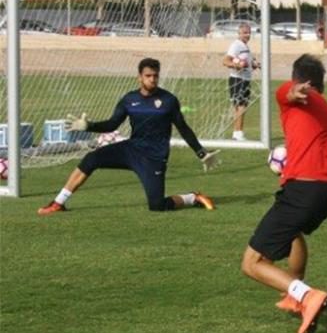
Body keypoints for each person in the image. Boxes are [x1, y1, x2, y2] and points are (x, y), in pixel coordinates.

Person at [241, 54, 327, 333]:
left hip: (304, 190)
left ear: (300, 79)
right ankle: (293, 293)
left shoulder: (293, 94)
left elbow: (283, 92)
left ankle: (306, 295)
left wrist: (294, 90)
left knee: (252, 263)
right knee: (294, 233)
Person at [38, 58, 218, 215]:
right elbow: (112, 125)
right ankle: (58, 203)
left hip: (154, 157)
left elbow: (183, 128)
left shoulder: (169, 100)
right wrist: (88, 126)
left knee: (157, 206)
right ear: (139, 77)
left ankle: (193, 197)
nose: (152, 79)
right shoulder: (129, 99)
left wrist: (201, 153)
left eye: (155, 76)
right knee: (91, 159)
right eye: (148, 76)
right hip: (131, 149)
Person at [222, 22, 260, 141]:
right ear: (238, 33)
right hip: (238, 79)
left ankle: (236, 133)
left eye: (249, 32)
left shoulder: (245, 46)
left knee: (240, 107)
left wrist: (254, 65)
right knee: (241, 106)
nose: (247, 35)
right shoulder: (236, 45)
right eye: (244, 33)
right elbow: (225, 61)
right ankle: (238, 134)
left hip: (245, 79)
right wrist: (237, 65)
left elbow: (247, 64)